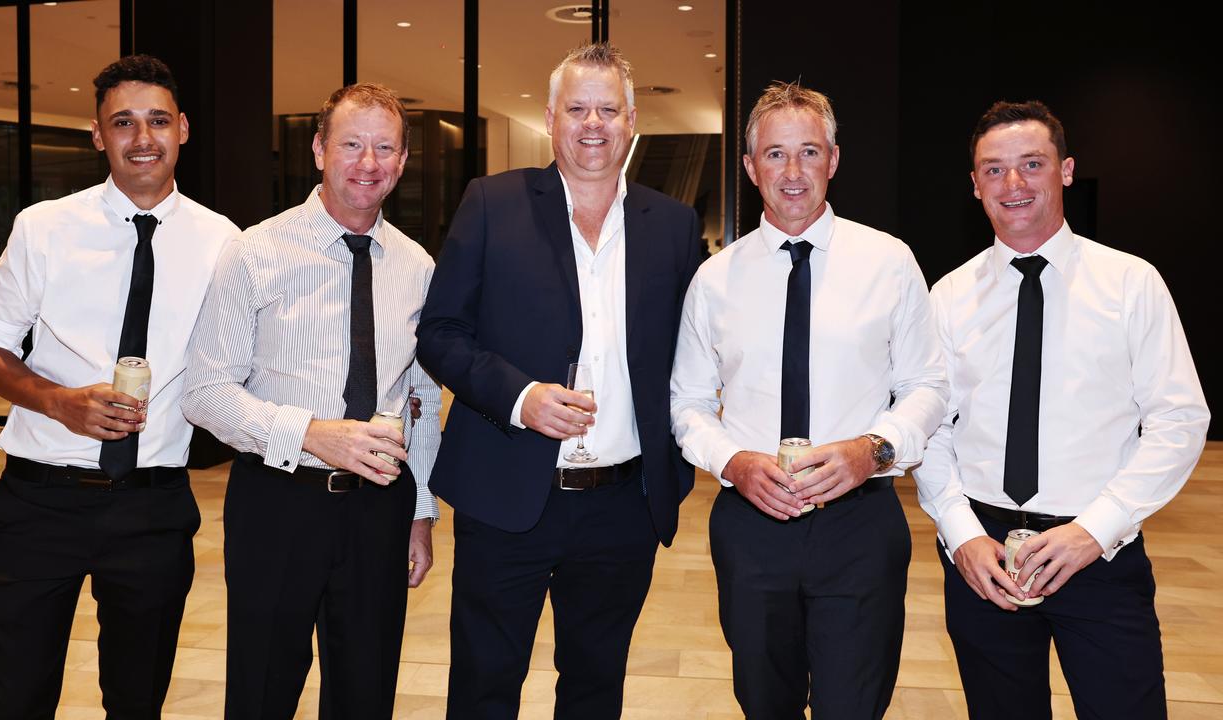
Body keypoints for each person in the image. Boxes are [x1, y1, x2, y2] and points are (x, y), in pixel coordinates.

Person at [416, 43, 700, 719]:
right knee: (484, 687)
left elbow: (697, 354)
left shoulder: (674, 225)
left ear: (632, 121)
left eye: (608, 109)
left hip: (623, 505)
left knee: (596, 689)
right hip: (507, 495)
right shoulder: (492, 203)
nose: (592, 123)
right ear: (551, 117)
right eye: (577, 108)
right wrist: (521, 397)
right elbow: (440, 334)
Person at [0, 55, 238, 719]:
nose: (142, 137)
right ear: (97, 135)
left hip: (153, 511)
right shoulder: (44, 227)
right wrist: (57, 402)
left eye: (157, 120)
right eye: (123, 122)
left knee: (136, 703)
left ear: (183, 129)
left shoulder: (223, 243)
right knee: (14, 699)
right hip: (37, 505)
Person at [914, 100, 1209, 720]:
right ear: (974, 185)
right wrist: (962, 536)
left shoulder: (1131, 283)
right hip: (983, 560)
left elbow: (1179, 420)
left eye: (1032, 164)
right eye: (993, 170)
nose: (1013, 184)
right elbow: (930, 429)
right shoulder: (947, 297)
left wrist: (1092, 531)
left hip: (1097, 551)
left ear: (1066, 170)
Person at [669, 82, 948, 719]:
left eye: (809, 152)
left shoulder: (890, 262)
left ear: (834, 159)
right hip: (751, 523)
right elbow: (686, 403)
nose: (792, 173)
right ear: (749, 167)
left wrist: (871, 452)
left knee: (854, 703)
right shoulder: (714, 279)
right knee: (764, 701)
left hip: (860, 522)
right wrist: (734, 462)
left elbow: (928, 386)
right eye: (774, 155)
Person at [180, 82, 440, 719]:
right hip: (277, 504)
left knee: (366, 693)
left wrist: (422, 509)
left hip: (381, 505)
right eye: (351, 143)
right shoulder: (254, 250)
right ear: (320, 149)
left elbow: (422, 399)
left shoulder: (418, 266)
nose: (368, 162)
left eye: (385, 147)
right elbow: (203, 391)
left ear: (403, 162)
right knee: (262, 689)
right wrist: (309, 433)